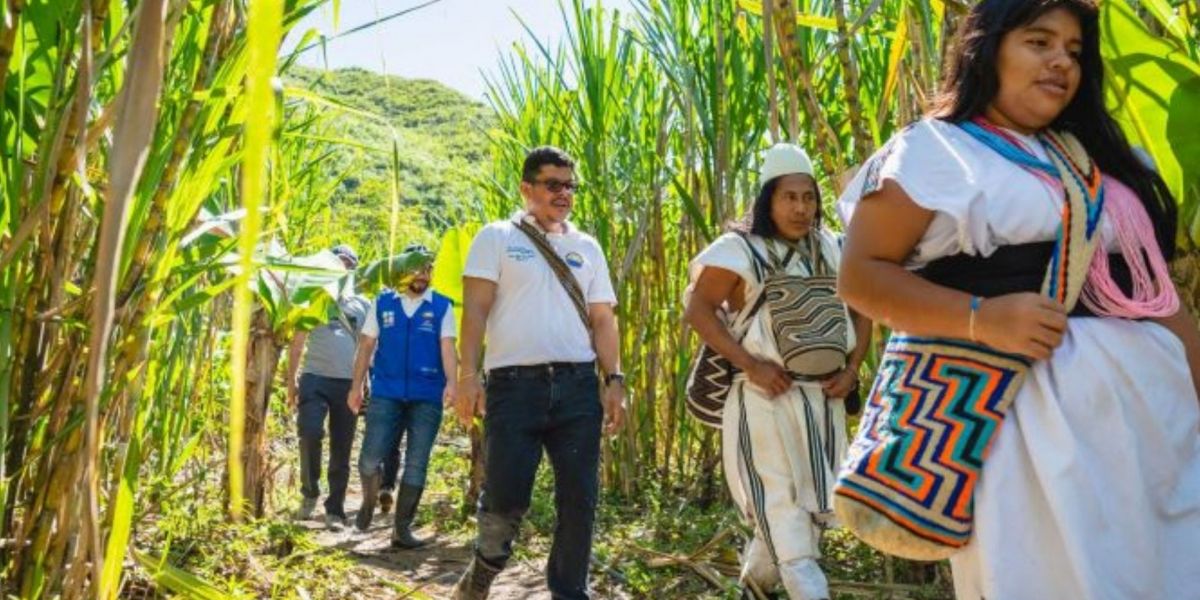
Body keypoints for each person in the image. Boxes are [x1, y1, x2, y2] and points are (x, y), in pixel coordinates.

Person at [836, 0, 1200, 597]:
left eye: (1074, 51)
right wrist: (980, 318)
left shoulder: (1107, 166)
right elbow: (861, 277)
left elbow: (1159, 302)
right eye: (1039, 42)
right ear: (989, 46)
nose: (1061, 61)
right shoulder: (938, 151)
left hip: (1155, 430)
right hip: (1026, 427)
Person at [684, 143, 872, 599]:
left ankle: (755, 588)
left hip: (822, 401)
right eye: (789, 196)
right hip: (764, 399)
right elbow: (698, 308)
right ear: (768, 198)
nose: (801, 207)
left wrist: (851, 368)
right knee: (783, 507)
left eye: (808, 197)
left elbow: (863, 308)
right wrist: (750, 364)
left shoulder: (832, 246)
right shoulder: (738, 249)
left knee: (804, 514)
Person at [451, 146, 626, 600]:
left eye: (570, 185)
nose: (563, 193)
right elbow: (474, 311)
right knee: (507, 497)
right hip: (514, 389)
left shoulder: (586, 246)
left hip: (576, 388)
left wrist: (615, 380)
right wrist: (467, 377)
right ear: (526, 188)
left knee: (580, 498)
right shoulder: (496, 237)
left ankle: (570, 592)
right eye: (553, 184)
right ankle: (484, 570)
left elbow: (604, 319)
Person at [347, 244, 458, 549]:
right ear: (401, 270)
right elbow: (366, 346)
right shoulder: (382, 303)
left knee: (417, 462)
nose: (422, 275)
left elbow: (448, 348)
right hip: (386, 392)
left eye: (427, 269)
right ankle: (368, 504)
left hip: (427, 395)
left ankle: (402, 529)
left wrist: (452, 383)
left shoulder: (442, 306)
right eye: (416, 268)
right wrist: (356, 386)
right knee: (370, 458)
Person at [286, 244, 370, 531]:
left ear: (354, 270)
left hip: (347, 383)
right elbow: (297, 342)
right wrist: (291, 380)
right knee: (309, 432)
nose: (342, 267)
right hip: (314, 378)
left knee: (342, 447)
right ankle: (309, 494)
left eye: (348, 264)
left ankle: (335, 510)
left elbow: (367, 347)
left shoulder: (362, 304)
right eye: (338, 262)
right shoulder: (314, 299)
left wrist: (362, 383)